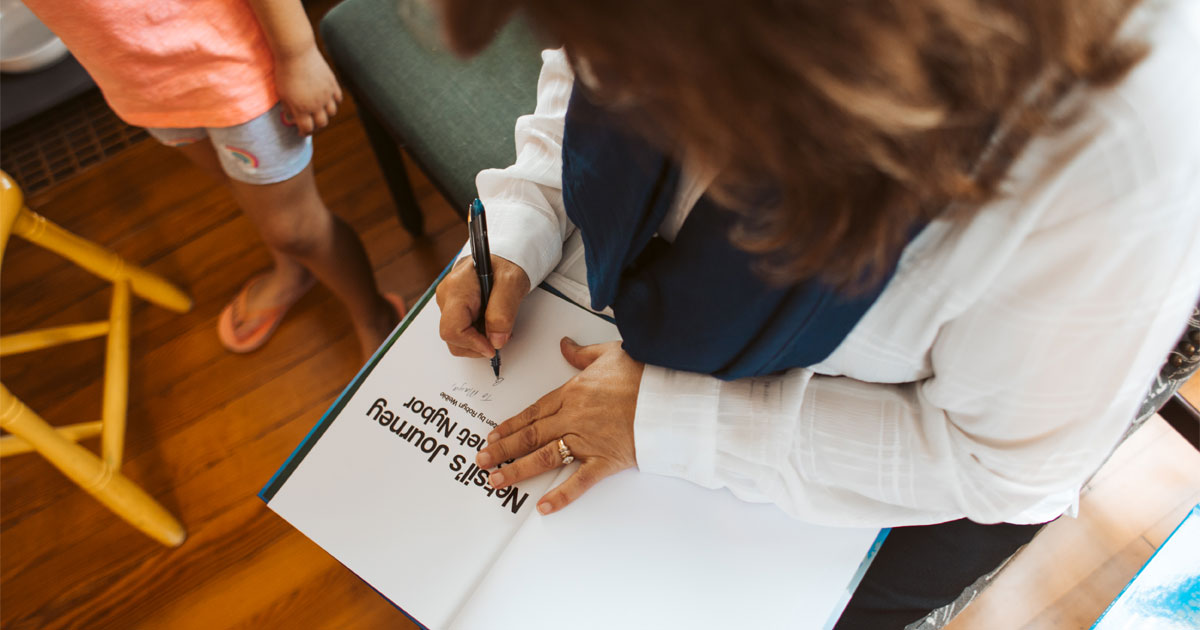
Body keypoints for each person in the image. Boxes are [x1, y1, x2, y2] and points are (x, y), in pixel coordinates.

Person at [433, 0, 1200, 627]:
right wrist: (528, 211)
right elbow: (590, 60)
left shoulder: (1123, 142)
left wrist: (669, 423)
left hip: (880, 472)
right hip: (631, 320)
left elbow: (1000, 465)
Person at [24, 0, 404, 359]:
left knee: (295, 229)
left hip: (235, 65)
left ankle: (376, 316)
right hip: (136, 81)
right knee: (240, 186)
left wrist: (297, 52)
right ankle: (295, 268)